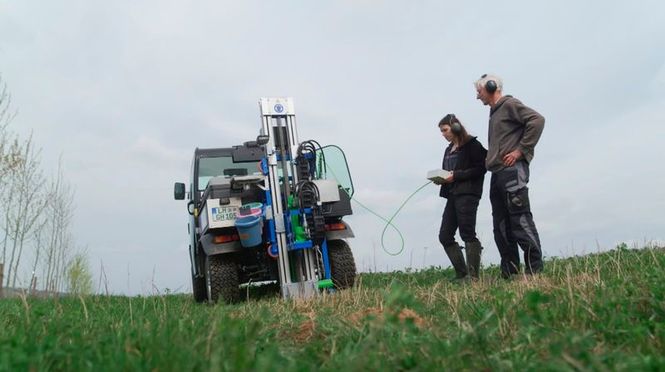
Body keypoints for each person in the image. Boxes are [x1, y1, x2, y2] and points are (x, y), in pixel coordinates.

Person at [474, 74, 545, 278]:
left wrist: (520, 150)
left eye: (479, 92)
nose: (478, 97)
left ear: (491, 86)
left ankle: (535, 271)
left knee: (519, 219)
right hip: (497, 173)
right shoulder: (494, 113)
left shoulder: (509, 104)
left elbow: (537, 120)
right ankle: (511, 272)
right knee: (501, 226)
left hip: (512, 172)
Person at [435, 114, 487, 280]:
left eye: (445, 130)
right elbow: (449, 172)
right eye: (441, 131)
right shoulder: (447, 149)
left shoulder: (473, 145)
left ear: (455, 127)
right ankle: (461, 274)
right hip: (452, 194)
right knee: (445, 235)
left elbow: (480, 169)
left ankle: (473, 276)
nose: (443, 134)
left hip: (468, 194)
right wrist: (441, 179)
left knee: (467, 233)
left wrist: (455, 175)